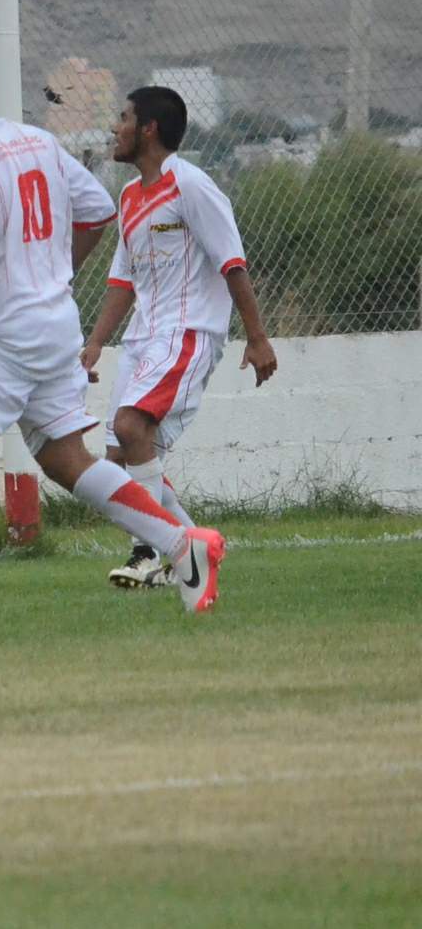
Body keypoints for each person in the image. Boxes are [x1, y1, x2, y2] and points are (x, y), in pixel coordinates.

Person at [0, 43, 226, 625]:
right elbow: (96, 210)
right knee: (67, 460)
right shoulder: (35, 140)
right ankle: (181, 543)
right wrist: (54, 275)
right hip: (55, 326)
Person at [81, 86, 279, 589]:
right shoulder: (128, 197)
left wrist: (256, 338)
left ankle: (150, 549)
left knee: (130, 428)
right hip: (143, 338)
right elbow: (122, 280)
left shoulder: (193, 186)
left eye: (123, 117)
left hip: (188, 333)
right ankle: (193, 547)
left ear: (148, 128)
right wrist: (97, 341)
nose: (114, 127)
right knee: (115, 460)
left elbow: (232, 263)